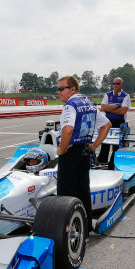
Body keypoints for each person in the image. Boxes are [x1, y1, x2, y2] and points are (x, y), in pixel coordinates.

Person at [56, 76, 111, 227]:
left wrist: (61, 150)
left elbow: (67, 131)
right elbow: (107, 125)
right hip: (85, 152)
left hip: (71, 153)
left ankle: (66, 231)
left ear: (72, 89)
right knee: (83, 192)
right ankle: (85, 230)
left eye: (61, 88)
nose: (58, 92)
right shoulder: (89, 104)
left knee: (65, 194)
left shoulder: (70, 105)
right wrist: (93, 146)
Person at [97, 77, 130, 169]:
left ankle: (113, 164)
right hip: (108, 122)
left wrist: (109, 109)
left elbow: (123, 111)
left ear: (121, 84)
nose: (115, 85)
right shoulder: (108, 94)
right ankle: (102, 162)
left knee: (117, 145)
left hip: (120, 123)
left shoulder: (126, 96)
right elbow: (103, 108)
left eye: (117, 83)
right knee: (105, 143)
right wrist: (116, 106)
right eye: (114, 83)